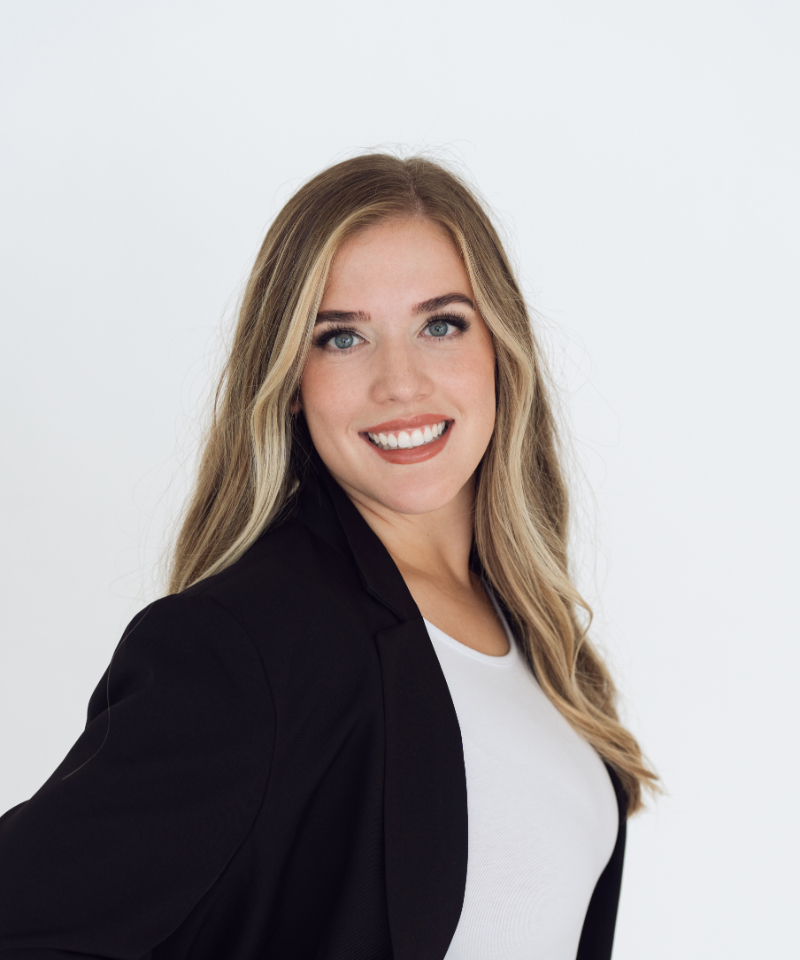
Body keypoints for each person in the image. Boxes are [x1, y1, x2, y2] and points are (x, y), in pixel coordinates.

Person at [0, 153, 658, 960]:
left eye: (441, 324)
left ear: (502, 348)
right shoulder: (245, 644)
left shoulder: (528, 623)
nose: (399, 382)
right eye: (341, 337)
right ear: (289, 379)